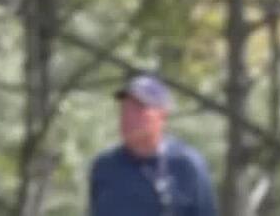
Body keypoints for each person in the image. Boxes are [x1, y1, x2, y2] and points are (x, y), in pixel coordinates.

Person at [88, 74, 217, 216]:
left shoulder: (186, 165)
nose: (128, 116)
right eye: (125, 109)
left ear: (162, 116)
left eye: (138, 109)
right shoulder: (105, 167)